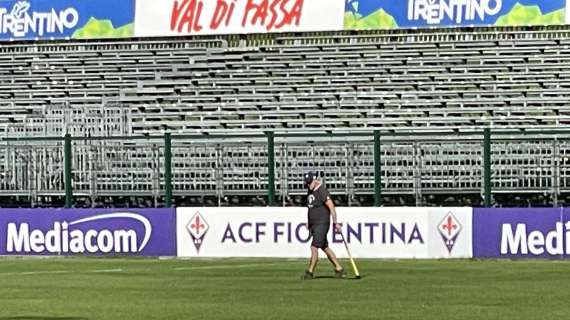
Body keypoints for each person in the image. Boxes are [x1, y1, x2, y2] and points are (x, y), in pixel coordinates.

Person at [302, 171, 345, 280]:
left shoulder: (322, 191)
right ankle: (339, 268)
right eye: (307, 183)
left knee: (314, 247)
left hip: (322, 223)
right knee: (324, 247)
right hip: (314, 225)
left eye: (310, 182)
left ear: (315, 180)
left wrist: (335, 222)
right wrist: (309, 222)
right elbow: (311, 208)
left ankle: (310, 272)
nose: (308, 185)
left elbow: (331, 207)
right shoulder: (309, 191)